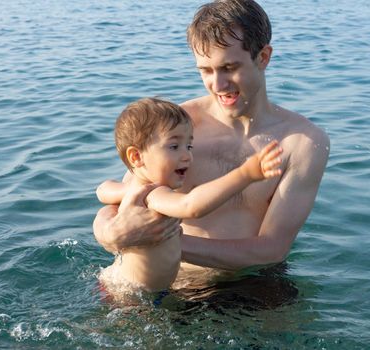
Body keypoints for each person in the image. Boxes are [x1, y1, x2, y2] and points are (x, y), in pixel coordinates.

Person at [93, 0, 329, 285]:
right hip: (172, 283)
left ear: (263, 57)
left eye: (229, 67)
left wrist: (165, 242)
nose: (218, 84)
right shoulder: (176, 128)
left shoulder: (303, 143)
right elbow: (128, 198)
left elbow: (272, 249)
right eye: (205, 70)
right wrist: (111, 233)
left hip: (249, 283)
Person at [97, 97, 283, 292]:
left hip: (132, 287)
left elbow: (103, 189)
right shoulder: (156, 194)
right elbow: (191, 206)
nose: (187, 155)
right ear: (136, 156)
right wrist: (245, 174)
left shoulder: (136, 189)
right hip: (127, 296)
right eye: (174, 147)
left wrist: (127, 191)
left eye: (189, 146)